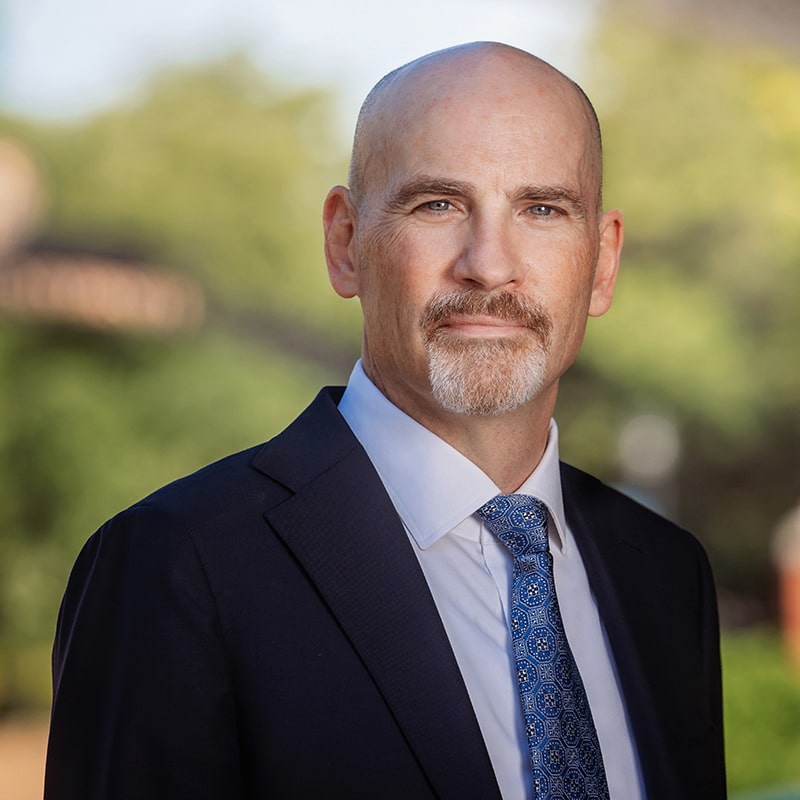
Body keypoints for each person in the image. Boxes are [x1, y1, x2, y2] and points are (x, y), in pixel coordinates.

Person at [44, 42, 726, 800]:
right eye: (438, 204)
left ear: (602, 262)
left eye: (542, 209)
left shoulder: (666, 574)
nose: (488, 264)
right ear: (345, 243)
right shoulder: (175, 564)